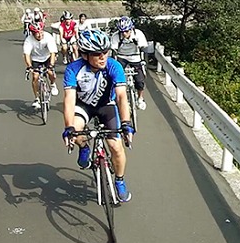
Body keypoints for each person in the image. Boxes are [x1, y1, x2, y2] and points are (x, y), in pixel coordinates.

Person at [62, 29, 134, 202]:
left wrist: (126, 123)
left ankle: (119, 180)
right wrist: (69, 128)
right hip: (83, 106)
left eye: (105, 52)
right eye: (97, 54)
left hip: (106, 106)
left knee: (116, 147)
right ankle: (84, 147)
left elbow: (122, 96)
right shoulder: (73, 69)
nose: (103, 57)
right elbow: (69, 100)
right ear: (85, 55)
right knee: (77, 131)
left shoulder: (113, 66)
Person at [110, 16, 148, 110]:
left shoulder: (138, 34)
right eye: (122, 32)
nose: (124, 34)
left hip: (135, 57)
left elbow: (144, 49)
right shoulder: (116, 36)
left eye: (126, 31)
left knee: (140, 80)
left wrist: (144, 62)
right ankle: (113, 98)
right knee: (114, 77)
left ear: (131, 29)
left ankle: (140, 98)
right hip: (122, 56)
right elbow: (113, 51)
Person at [23, 21, 59, 109]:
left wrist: (51, 64)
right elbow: (26, 55)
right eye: (37, 33)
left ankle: (53, 84)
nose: (40, 35)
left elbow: (53, 52)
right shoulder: (29, 40)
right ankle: (37, 99)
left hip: (47, 57)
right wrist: (29, 66)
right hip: (36, 59)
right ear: (32, 34)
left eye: (41, 32)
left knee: (50, 72)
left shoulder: (48, 37)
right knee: (35, 77)